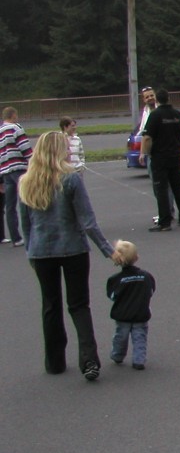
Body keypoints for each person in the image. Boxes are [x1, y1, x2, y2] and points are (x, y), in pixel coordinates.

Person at [17, 131, 116, 380]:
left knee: (50, 305)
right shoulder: (70, 179)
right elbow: (88, 221)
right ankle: (89, 360)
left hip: (41, 251)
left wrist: (30, 251)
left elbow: (25, 224)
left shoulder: (26, 181)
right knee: (79, 305)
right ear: (59, 150)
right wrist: (108, 250)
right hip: (73, 248)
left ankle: (54, 362)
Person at [141, 88, 180, 232]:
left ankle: (165, 222)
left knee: (161, 189)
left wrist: (148, 152)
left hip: (159, 157)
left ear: (157, 100)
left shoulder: (155, 115)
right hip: (175, 156)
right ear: (169, 98)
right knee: (178, 187)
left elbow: (147, 137)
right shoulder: (177, 115)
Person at [106, 240, 156, 371]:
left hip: (122, 314)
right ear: (136, 257)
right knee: (140, 337)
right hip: (141, 313)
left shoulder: (115, 279)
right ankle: (139, 360)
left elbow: (112, 296)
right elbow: (151, 291)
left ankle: (117, 355)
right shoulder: (146, 276)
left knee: (120, 337)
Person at [1, 106, 33, 247]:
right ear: (14, 115)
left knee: (10, 206)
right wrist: (33, 162)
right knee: (25, 202)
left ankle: (16, 238)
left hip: (5, 170)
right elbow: (25, 148)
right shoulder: (15, 128)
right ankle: (29, 234)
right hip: (19, 168)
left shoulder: (0, 130)